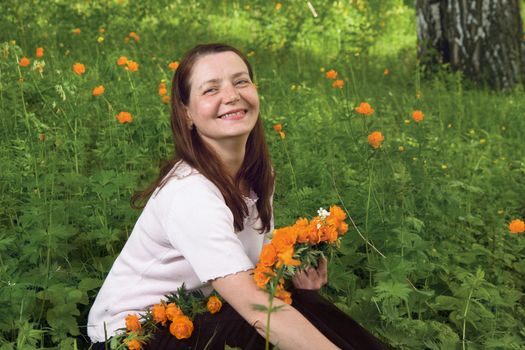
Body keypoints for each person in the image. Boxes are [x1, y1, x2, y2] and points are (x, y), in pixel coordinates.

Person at [88, 43, 388, 350]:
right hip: (134, 336)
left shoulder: (258, 173)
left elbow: (255, 271)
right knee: (265, 324)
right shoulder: (190, 193)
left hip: (208, 309)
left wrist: (290, 277)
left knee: (300, 305)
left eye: (241, 81)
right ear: (187, 112)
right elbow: (256, 308)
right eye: (210, 89)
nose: (231, 95)